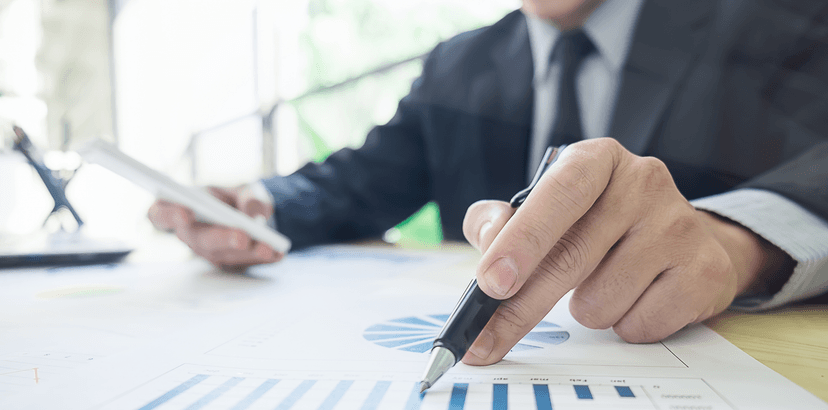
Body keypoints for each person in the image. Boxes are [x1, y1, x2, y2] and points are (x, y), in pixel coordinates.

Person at [149, 0, 828, 366]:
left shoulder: (777, 19)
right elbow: (356, 181)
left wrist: (739, 239)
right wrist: (257, 206)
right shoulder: (458, 63)